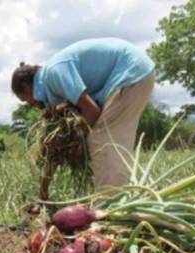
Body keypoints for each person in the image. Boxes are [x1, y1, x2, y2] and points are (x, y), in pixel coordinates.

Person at [11, 37, 155, 199]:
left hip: (130, 72)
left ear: (26, 87)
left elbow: (92, 111)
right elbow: (55, 147)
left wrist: (78, 143)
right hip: (136, 72)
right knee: (108, 143)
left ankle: (111, 205)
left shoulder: (53, 74)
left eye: (26, 100)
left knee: (102, 141)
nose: (33, 106)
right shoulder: (55, 96)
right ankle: (116, 198)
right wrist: (43, 193)